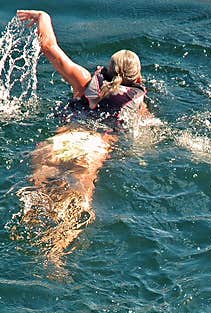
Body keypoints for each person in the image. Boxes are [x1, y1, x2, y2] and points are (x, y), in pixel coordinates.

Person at [13, 10, 153, 267]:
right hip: (93, 149)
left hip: (63, 141)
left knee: (38, 190)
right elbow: (146, 138)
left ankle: (22, 237)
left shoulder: (84, 80)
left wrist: (42, 16)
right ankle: (55, 251)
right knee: (78, 202)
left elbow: (49, 46)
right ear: (138, 79)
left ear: (107, 70)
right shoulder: (138, 103)